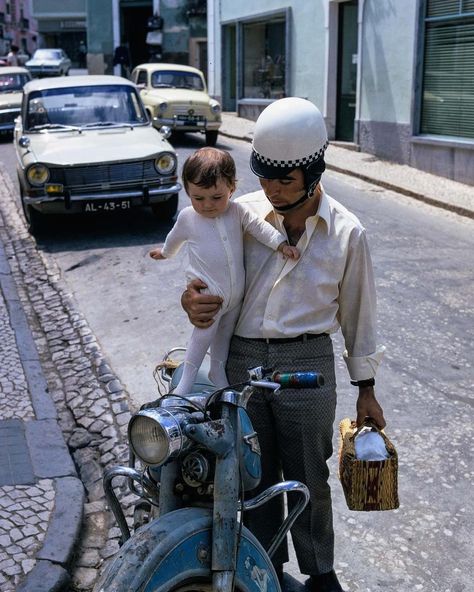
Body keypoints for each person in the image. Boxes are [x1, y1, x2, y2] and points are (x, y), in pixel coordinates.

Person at [182, 98, 386, 592]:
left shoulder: (347, 232)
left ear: (314, 172)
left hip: (307, 363)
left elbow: (360, 314)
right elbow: (203, 274)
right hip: (242, 358)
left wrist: (367, 389)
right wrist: (191, 300)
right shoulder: (238, 215)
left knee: (309, 477)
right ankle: (264, 568)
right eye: (265, 178)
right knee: (252, 476)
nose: (272, 190)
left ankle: (320, 572)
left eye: (285, 181)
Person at [150, 147, 299, 396]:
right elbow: (173, 240)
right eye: (198, 198)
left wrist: (281, 244)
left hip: (236, 296)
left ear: (232, 188)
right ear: (187, 191)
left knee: (223, 341)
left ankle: (217, 372)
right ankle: (185, 382)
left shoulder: (237, 212)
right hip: (210, 293)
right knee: (201, 338)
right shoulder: (188, 218)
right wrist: (165, 254)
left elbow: (259, 228)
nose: (207, 205)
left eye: (216, 197)